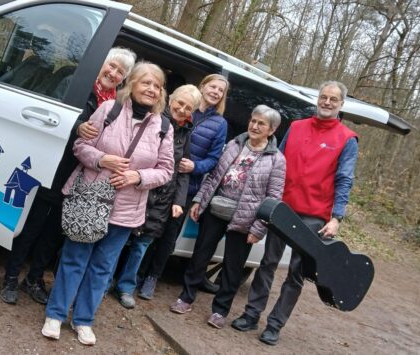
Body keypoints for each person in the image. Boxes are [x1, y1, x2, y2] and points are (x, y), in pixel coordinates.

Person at [42, 62, 174, 345]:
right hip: (91, 199)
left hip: (126, 209)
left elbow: (166, 170)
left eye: (157, 85)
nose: (151, 89)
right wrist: (102, 160)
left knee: (103, 267)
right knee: (74, 258)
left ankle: (83, 319)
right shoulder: (109, 110)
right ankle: (55, 313)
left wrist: (138, 176)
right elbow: (80, 146)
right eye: (146, 82)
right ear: (132, 84)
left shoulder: (163, 126)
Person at [0, 47, 136, 305]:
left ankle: (34, 279)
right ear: (101, 64)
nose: (113, 73)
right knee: (32, 225)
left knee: (54, 232)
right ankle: (11, 276)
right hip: (54, 166)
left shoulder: (118, 106)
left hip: (82, 176)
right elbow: (52, 115)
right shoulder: (77, 83)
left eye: (120, 71)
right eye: (111, 65)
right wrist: (77, 126)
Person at [230, 81, 359, 346]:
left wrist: (336, 217)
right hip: (283, 208)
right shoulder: (297, 126)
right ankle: (251, 315)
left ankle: (274, 325)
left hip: (314, 215)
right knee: (267, 263)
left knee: (296, 273)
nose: (327, 102)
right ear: (318, 98)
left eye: (333, 99)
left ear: (341, 104)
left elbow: (345, 180)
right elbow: (276, 161)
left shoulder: (347, 139)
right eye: (323, 97)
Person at [170, 105, 286, 327]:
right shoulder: (234, 144)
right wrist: (199, 200)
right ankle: (186, 297)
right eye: (253, 120)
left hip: (245, 218)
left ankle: (220, 311)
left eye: (261, 124)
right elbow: (214, 176)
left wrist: (258, 228)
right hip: (216, 208)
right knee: (200, 256)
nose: (254, 126)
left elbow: (273, 198)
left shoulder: (276, 160)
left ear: (271, 130)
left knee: (233, 267)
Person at [137, 74, 230, 299]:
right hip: (160, 179)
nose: (216, 92)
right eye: (213, 86)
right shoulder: (184, 107)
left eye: (221, 90)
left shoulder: (220, 123)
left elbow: (214, 159)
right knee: (149, 229)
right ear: (203, 86)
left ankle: (152, 277)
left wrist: (195, 166)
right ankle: (137, 274)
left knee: (169, 236)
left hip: (187, 186)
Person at [113, 84, 202, 309]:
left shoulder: (186, 132)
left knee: (142, 244)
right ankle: (105, 281)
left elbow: (181, 172)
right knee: (119, 239)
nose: (182, 109)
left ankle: (126, 287)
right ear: (171, 99)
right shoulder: (155, 120)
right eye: (180, 103)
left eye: (188, 107)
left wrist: (179, 201)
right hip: (139, 188)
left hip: (163, 198)